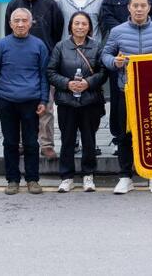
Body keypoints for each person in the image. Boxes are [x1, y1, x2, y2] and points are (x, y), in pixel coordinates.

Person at [101, 0, 152, 194]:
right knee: (124, 135)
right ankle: (125, 176)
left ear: (149, 8)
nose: (139, 9)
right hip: (127, 90)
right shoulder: (117, 31)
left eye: (143, 6)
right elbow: (105, 54)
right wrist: (115, 62)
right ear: (129, 8)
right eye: (135, 6)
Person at [99, 0, 152, 158]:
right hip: (121, 55)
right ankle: (119, 139)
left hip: (147, 57)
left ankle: (146, 139)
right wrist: (123, 34)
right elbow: (106, 18)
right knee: (119, 103)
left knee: (149, 103)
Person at [4, 0, 64, 160]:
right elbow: (8, 33)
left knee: (45, 105)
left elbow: (57, 33)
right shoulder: (13, 5)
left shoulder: (51, 5)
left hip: (45, 64)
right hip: (19, 64)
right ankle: (22, 142)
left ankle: (46, 144)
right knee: (21, 104)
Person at [0, 7, 49, 195]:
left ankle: (32, 180)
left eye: (24, 20)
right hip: (7, 101)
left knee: (31, 143)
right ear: (10, 23)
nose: (20, 24)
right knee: (10, 142)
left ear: (31, 23)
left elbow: (44, 75)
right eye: (17, 21)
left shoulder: (39, 45)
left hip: (31, 101)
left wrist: (44, 99)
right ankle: (12, 180)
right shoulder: (1, 45)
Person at [47, 10, 106, 194]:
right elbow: (51, 72)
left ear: (89, 27)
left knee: (89, 139)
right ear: (70, 26)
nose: (80, 27)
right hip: (67, 101)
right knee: (67, 140)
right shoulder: (60, 47)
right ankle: (66, 177)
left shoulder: (97, 47)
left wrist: (88, 83)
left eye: (84, 24)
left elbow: (103, 72)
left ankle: (88, 175)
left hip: (90, 101)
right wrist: (67, 84)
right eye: (76, 24)